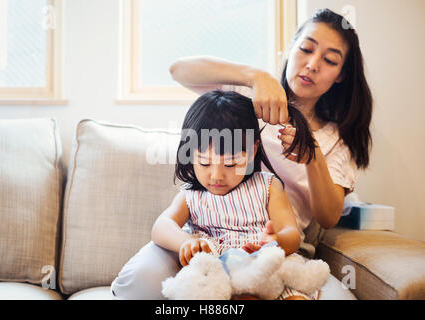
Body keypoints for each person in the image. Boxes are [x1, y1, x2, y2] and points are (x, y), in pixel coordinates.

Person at [169, 8, 372, 248]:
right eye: (306, 49)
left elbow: (328, 218)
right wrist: (254, 76)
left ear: (341, 75)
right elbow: (178, 70)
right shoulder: (246, 96)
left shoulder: (338, 140)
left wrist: (313, 157)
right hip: (207, 235)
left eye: (329, 60)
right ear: (290, 50)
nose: (312, 64)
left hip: (275, 247)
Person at [112, 90, 317, 300]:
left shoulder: (267, 185)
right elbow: (161, 226)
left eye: (230, 163)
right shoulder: (191, 196)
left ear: (253, 151)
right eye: (204, 162)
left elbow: (291, 233)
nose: (217, 175)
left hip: (263, 267)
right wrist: (185, 241)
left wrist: (275, 241)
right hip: (217, 276)